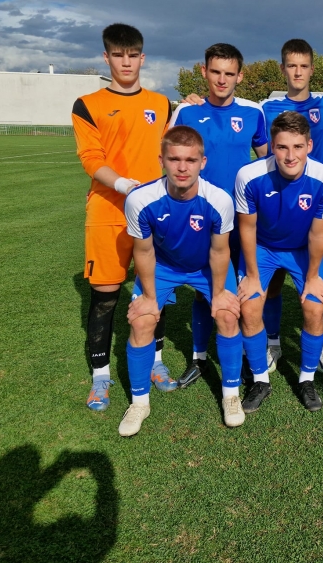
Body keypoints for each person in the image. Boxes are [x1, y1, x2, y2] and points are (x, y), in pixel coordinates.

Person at [72, 23, 174, 413]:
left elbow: (172, 148)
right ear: (106, 57)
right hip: (108, 211)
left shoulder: (162, 104)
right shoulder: (88, 104)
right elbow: (90, 158)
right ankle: (100, 377)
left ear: (142, 58)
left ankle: (156, 361)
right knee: (105, 296)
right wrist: (123, 185)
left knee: (155, 290)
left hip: (152, 213)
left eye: (132, 55)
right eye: (118, 55)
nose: (126, 62)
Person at [118, 126, 240, 436]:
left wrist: (219, 293)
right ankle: (139, 403)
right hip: (163, 267)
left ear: (203, 162)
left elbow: (219, 250)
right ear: (162, 160)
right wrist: (149, 298)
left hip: (205, 266)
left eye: (190, 160)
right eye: (174, 159)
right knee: (142, 321)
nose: (182, 167)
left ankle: (231, 395)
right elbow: (143, 252)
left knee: (228, 315)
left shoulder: (219, 200)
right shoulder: (140, 199)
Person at [168, 43, 268, 390]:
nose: (222, 80)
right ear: (204, 72)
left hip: (243, 218)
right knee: (202, 289)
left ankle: (245, 355)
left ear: (240, 75)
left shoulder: (254, 112)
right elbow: (169, 160)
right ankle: (198, 357)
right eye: (215, 72)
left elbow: (266, 161)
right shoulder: (187, 111)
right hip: (201, 218)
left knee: (244, 287)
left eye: (229, 73)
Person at [234, 112, 323, 413]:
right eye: (282, 147)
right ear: (272, 146)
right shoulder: (249, 176)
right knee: (249, 306)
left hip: (303, 249)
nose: (290, 156)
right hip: (263, 247)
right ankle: (260, 379)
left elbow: (319, 233)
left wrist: (314, 276)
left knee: (314, 307)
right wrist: (252, 275)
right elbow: (247, 228)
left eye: (297, 147)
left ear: (309, 145)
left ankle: (306, 379)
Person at [259, 39, 323, 374]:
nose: (297, 72)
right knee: (274, 283)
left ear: (312, 70)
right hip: (279, 206)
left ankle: (318, 345)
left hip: (316, 204)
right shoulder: (267, 108)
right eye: (291, 65)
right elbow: (263, 152)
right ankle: (273, 342)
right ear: (283, 69)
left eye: (303, 66)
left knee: (318, 282)